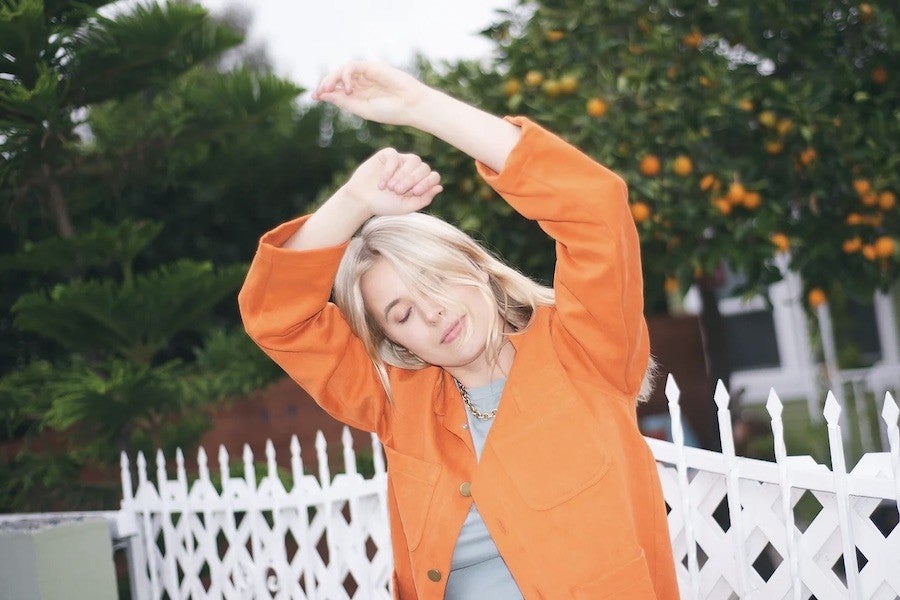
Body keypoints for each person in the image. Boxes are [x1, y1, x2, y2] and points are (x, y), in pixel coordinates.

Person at [239, 61, 679, 599]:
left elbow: (595, 207)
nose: (430, 314)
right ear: (392, 342)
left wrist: (420, 108)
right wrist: (354, 201)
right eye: (400, 315)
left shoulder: (587, 350)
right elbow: (277, 316)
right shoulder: (398, 403)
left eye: (435, 282)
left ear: (476, 268)